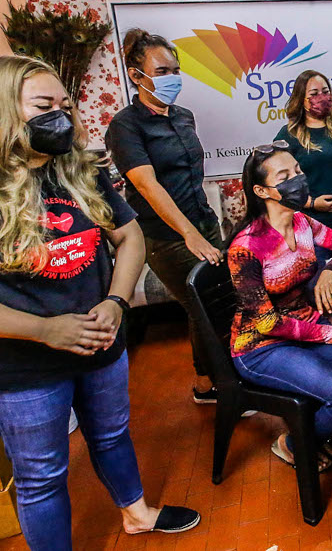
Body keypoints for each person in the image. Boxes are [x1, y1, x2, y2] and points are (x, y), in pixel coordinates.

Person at [0, 56, 200, 549]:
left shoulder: (79, 170)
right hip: (21, 368)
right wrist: (44, 330)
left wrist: (116, 302)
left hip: (100, 342)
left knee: (112, 435)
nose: (61, 117)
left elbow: (129, 236)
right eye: (43, 106)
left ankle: (137, 514)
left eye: (65, 105)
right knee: (42, 476)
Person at [227, 141, 332, 470]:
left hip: (304, 329)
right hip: (261, 347)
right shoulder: (246, 248)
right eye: (285, 175)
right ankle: (292, 443)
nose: (297, 179)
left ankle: (315, 431)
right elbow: (266, 324)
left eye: (298, 171)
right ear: (262, 190)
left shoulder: (302, 222)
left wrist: (329, 272)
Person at [105, 29, 224, 405]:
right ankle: (216, 383)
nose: (171, 78)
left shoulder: (184, 116)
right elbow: (148, 185)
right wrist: (189, 234)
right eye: (161, 71)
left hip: (205, 221)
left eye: (175, 70)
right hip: (165, 235)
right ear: (136, 76)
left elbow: (190, 172)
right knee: (201, 305)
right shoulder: (125, 126)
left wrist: (203, 227)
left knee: (219, 300)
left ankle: (211, 382)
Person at [276, 69, 332, 259]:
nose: (322, 98)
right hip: (313, 230)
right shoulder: (288, 135)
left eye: (326, 92)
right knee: (321, 283)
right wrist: (312, 203)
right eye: (314, 94)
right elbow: (277, 186)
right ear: (301, 100)